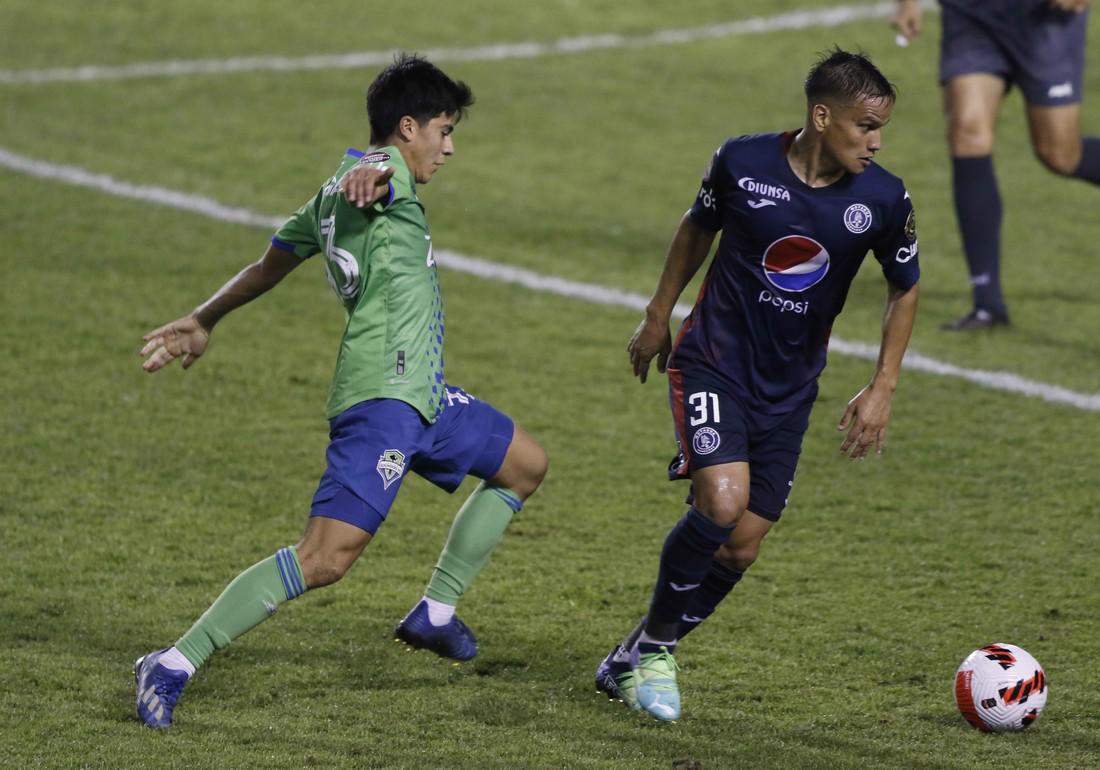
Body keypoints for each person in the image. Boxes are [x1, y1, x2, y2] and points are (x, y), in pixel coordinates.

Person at [133, 53, 548, 729]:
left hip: (423, 395)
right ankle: (174, 661)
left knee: (524, 464)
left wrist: (204, 319)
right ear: (407, 127)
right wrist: (374, 168)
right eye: (443, 131)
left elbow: (267, 266)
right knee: (324, 558)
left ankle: (434, 613)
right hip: (383, 399)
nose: (449, 147)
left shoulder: (326, 199)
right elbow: (376, 174)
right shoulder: (385, 177)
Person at [594, 49, 921, 722]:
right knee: (721, 503)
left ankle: (631, 655)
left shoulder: (883, 198)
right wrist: (658, 314)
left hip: (790, 388)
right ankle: (656, 652)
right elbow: (697, 228)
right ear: (822, 116)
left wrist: (883, 384)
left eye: (881, 129)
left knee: (742, 542)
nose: (876, 142)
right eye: (865, 126)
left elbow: (904, 286)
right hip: (713, 362)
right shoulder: (743, 162)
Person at [893, 0, 1100, 330]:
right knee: (967, 129)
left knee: (1060, 154)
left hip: (1043, 18)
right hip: (971, 13)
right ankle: (987, 304)